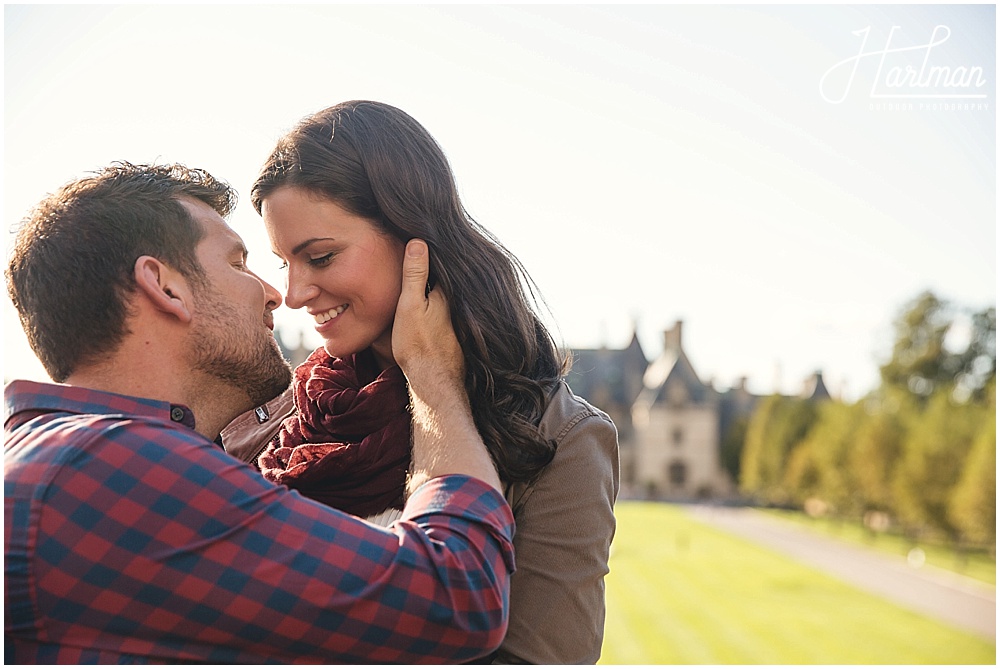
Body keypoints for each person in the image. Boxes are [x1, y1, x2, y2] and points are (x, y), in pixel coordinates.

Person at [4, 162, 515, 664]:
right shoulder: (114, 463)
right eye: (238, 263)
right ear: (165, 287)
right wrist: (431, 374)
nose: (278, 295)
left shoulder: (50, 453)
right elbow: (457, 595)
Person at [222, 100, 620, 664]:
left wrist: (432, 381)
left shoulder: (561, 436)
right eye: (286, 263)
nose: (295, 294)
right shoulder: (283, 413)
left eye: (321, 257)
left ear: (413, 236)